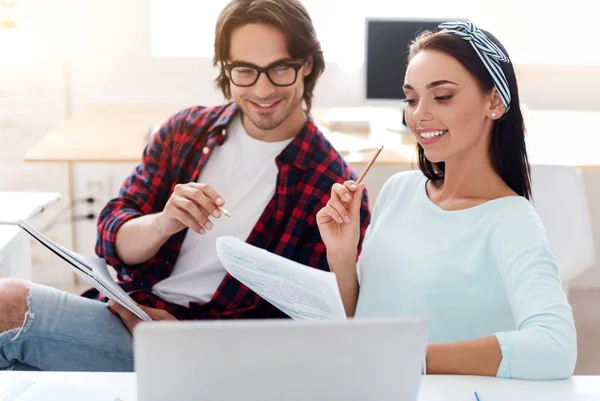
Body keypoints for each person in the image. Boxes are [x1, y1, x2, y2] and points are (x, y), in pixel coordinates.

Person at [0, 0, 370, 372]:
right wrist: (163, 223)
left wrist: (187, 337)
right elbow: (111, 236)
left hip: (203, 354)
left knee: (8, 303)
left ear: (306, 65)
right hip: (123, 310)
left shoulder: (333, 187)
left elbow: (314, 324)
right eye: (245, 70)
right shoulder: (186, 131)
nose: (262, 89)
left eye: (279, 69)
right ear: (226, 68)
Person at [316, 21, 576, 380]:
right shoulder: (398, 190)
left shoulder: (511, 220)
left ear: (495, 102)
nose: (419, 114)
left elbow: (556, 347)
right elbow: (365, 323)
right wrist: (342, 258)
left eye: (442, 96)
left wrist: (413, 358)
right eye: (411, 98)